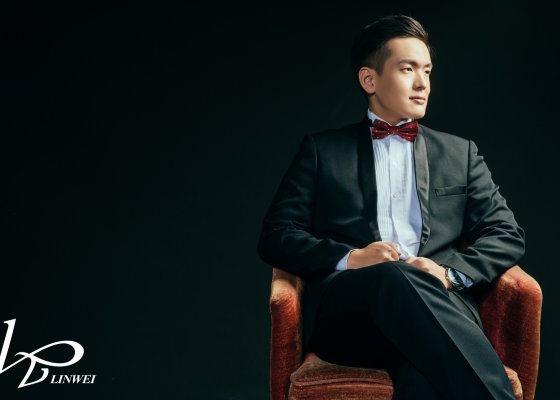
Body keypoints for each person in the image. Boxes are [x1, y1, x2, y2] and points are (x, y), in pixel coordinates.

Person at [257, 14, 524, 400]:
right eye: (407, 69)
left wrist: (448, 273)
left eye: (427, 71)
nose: (423, 83)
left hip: (440, 308)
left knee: (425, 374)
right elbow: (276, 236)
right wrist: (352, 258)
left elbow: (506, 233)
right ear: (369, 80)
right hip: (352, 319)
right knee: (393, 277)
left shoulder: (460, 153)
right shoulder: (322, 151)